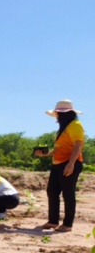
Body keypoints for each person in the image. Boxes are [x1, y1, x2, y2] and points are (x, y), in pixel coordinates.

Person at [34, 99, 85, 233]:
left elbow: (78, 146)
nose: (56, 117)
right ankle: (53, 221)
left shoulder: (75, 125)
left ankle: (67, 224)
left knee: (68, 194)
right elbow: (58, 148)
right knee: (52, 191)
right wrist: (45, 154)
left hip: (69, 163)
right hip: (58, 163)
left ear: (61, 114)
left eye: (57, 114)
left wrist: (71, 164)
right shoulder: (63, 128)